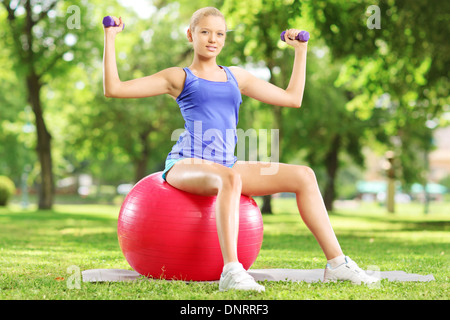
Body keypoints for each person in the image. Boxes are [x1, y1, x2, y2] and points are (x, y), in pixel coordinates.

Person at [103, 7, 379, 292]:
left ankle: (337, 264)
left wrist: (301, 51)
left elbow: (292, 98)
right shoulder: (179, 77)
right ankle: (232, 271)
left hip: (226, 163)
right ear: (190, 35)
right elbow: (114, 88)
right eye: (205, 32)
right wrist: (110, 37)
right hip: (185, 164)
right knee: (230, 178)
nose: (213, 39)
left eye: (220, 33)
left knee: (304, 175)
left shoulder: (237, 77)